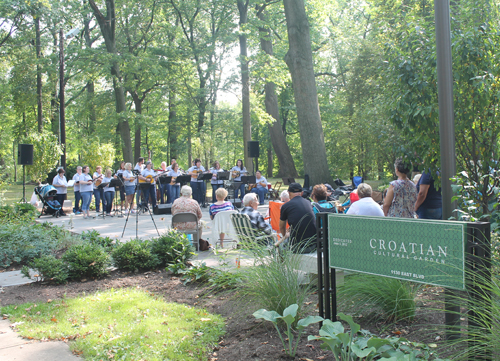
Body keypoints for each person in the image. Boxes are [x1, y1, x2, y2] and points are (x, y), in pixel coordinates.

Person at [279, 183, 317, 252]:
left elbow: (281, 227)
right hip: (313, 244)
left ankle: (283, 263)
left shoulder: (286, 206)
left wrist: (285, 236)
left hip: (297, 247)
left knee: (280, 246)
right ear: (302, 193)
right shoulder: (308, 202)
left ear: (289, 193)